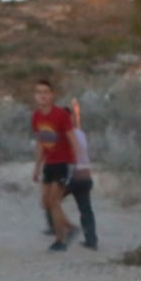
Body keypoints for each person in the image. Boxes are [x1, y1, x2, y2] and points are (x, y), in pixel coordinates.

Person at [30, 79, 81, 252]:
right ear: (35, 96)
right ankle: (71, 228)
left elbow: (73, 139)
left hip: (63, 162)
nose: (42, 96)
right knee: (45, 203)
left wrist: (77, 163)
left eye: (46, 92)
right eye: (39, 92)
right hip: (49, 163)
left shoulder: (61, 115)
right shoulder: (36, 116)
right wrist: (37, 166)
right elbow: (40, 142)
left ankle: (61, 240)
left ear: (52, 95)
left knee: (54, 201)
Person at [42, 97, 97, 250]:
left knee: (51, 202)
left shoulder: (62, 136)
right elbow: (76, 128)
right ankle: (91, 240)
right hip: (86, 177)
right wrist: (77, 113)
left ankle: (57, 229)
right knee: (86, 209)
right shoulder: (81, 133)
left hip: (72, 176)